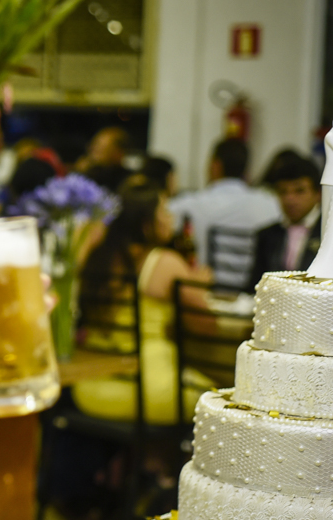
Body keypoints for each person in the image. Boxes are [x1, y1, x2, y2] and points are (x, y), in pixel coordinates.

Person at [73, 178, 214, 425]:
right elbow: (206, 327)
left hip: (89, 386)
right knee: (214, 396)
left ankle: (143, 462)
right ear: (146, 222)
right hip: (147, 389)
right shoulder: (165, 262)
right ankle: (164, 463)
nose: (171, 217)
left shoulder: (97, 256)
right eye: (164, 211)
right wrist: (199, 285)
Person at [168, 137, 280, 287]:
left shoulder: (193, 203)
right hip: (255, 297)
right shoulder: (271, 204)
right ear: (246, 170)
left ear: (215, 166)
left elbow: (158, 220)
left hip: (207, 294)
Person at [246, 151, 322, 290]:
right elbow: (254, 287)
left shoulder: (327, 233)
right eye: (283, 192)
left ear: (318, 194)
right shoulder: (267, 235)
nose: (290, 199)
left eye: (299, 191)